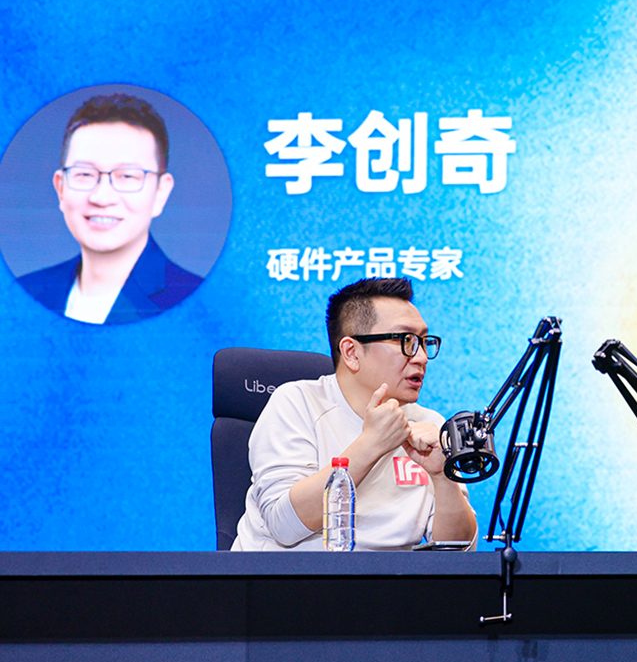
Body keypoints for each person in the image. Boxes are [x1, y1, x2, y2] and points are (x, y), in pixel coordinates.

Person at [232, 277, 478, 551]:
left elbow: (459, 552)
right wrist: (372, 443)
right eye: (406, 340)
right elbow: (284, 527)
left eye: (423, 341)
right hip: (287, 576)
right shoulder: (297, 403)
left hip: (391, 578)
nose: (421, 357)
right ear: (351, 352)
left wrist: (442, 477)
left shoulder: (430, 424)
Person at [17, 93, 202, 324]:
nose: (102, 197)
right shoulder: (19, 295)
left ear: (160, 193)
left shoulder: (200, 302)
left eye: (127, 176)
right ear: (60, 188)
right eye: (85, 174)